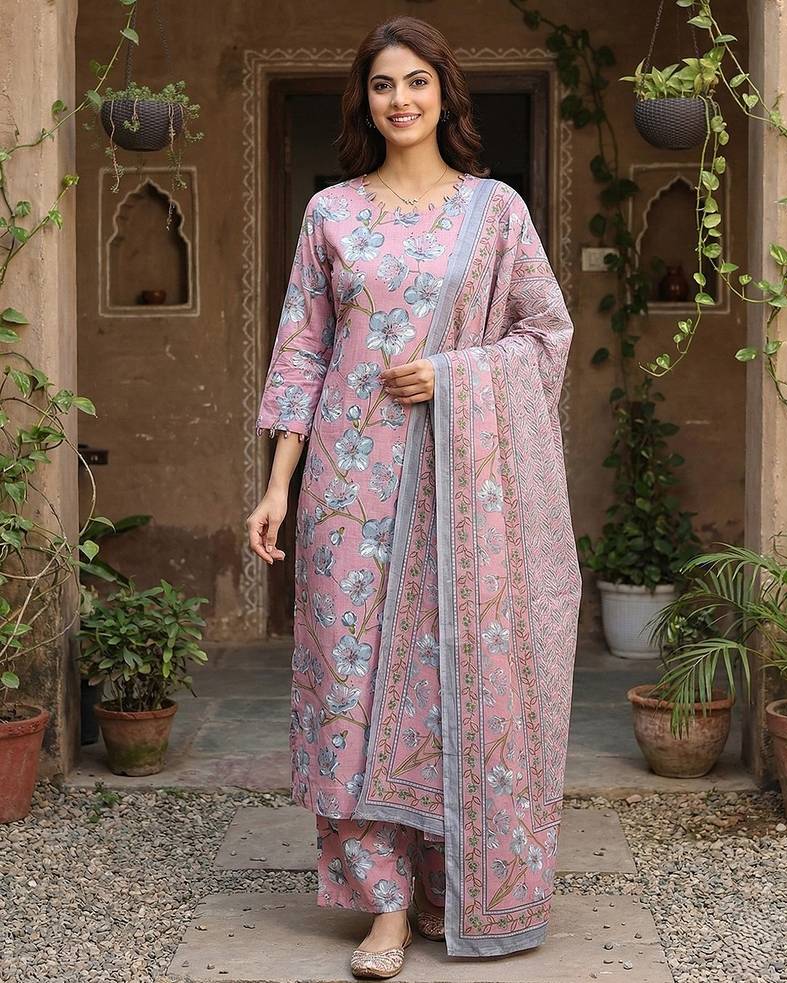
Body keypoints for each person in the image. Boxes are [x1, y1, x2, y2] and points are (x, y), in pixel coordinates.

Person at [246, 14, 582, 979]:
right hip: (347, 491)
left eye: (417, 82)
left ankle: (452, 878)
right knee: (347, 688)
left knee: (450, 680)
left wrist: (455, 373)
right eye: (383, 84)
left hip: (461, 493)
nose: (401, 100)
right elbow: (302, 351)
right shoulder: (330, 213)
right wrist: (278, 485)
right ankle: (384, 904)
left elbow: (545, 335)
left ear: (445, 93)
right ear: (365, 101)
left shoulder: (496, 211)